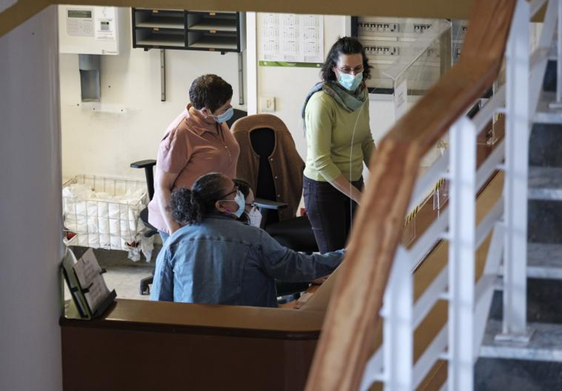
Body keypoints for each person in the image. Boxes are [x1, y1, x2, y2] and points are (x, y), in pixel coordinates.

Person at [150, 173, 344, 308]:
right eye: (235, 192)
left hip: (191, 339)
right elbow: (298, 266)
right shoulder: (253, 238)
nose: (240, 195)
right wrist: (349, 253)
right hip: (247, 333)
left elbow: (160, 301)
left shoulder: (174, 243)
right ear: (222, 205)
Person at [301, 36, 376, 253]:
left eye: (358, 68)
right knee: (335, 263)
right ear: (334, 69)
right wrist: (360, 196)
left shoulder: (362, 94)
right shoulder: (322, 102)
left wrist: (384, 179)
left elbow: (366, 140)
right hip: (325, 188)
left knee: (357, 256)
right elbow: (321, 161)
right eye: (346, 69)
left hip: (354, 182)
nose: (353, 75)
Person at [147, 74, 240, 242]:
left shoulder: (216, 120)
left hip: (211, 215)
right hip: (184, 221)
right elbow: (162, 186)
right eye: (225, 108)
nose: (229, 111)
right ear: (205, 111)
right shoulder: (180, 134)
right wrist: (175, 232)